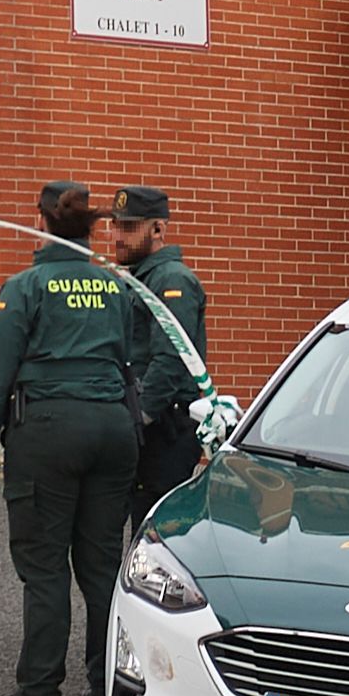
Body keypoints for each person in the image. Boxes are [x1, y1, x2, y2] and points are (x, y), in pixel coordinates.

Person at [0, 178, 141, 696]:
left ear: (40, 222)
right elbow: (130, 361)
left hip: (49, 431)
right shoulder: (118, 287)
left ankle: (39, 694)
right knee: (102, 566)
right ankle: (109, 686)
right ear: (89, 230)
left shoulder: (25, 287)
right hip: (113, 430)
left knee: (45, 568)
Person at [113, 184, 211, 507]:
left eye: (129, 227)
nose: (117, 236)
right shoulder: (137, 279)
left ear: (158, 229)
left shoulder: (172, 280)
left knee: (154, 524)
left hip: (164, 429)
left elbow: (171, 358)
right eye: (115, 225)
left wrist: (138, 419)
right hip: (144, 424)